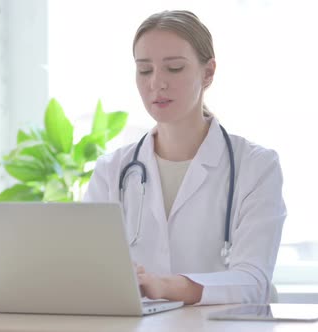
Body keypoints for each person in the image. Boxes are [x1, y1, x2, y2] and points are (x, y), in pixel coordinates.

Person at [83, 10, 286, 305]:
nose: (157, 83)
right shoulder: (112, 171)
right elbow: (86, 270)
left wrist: (164, 286)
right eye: (145, 70)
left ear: (208, 72)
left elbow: (253, 281)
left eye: (174, 68)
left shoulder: (256, 166)